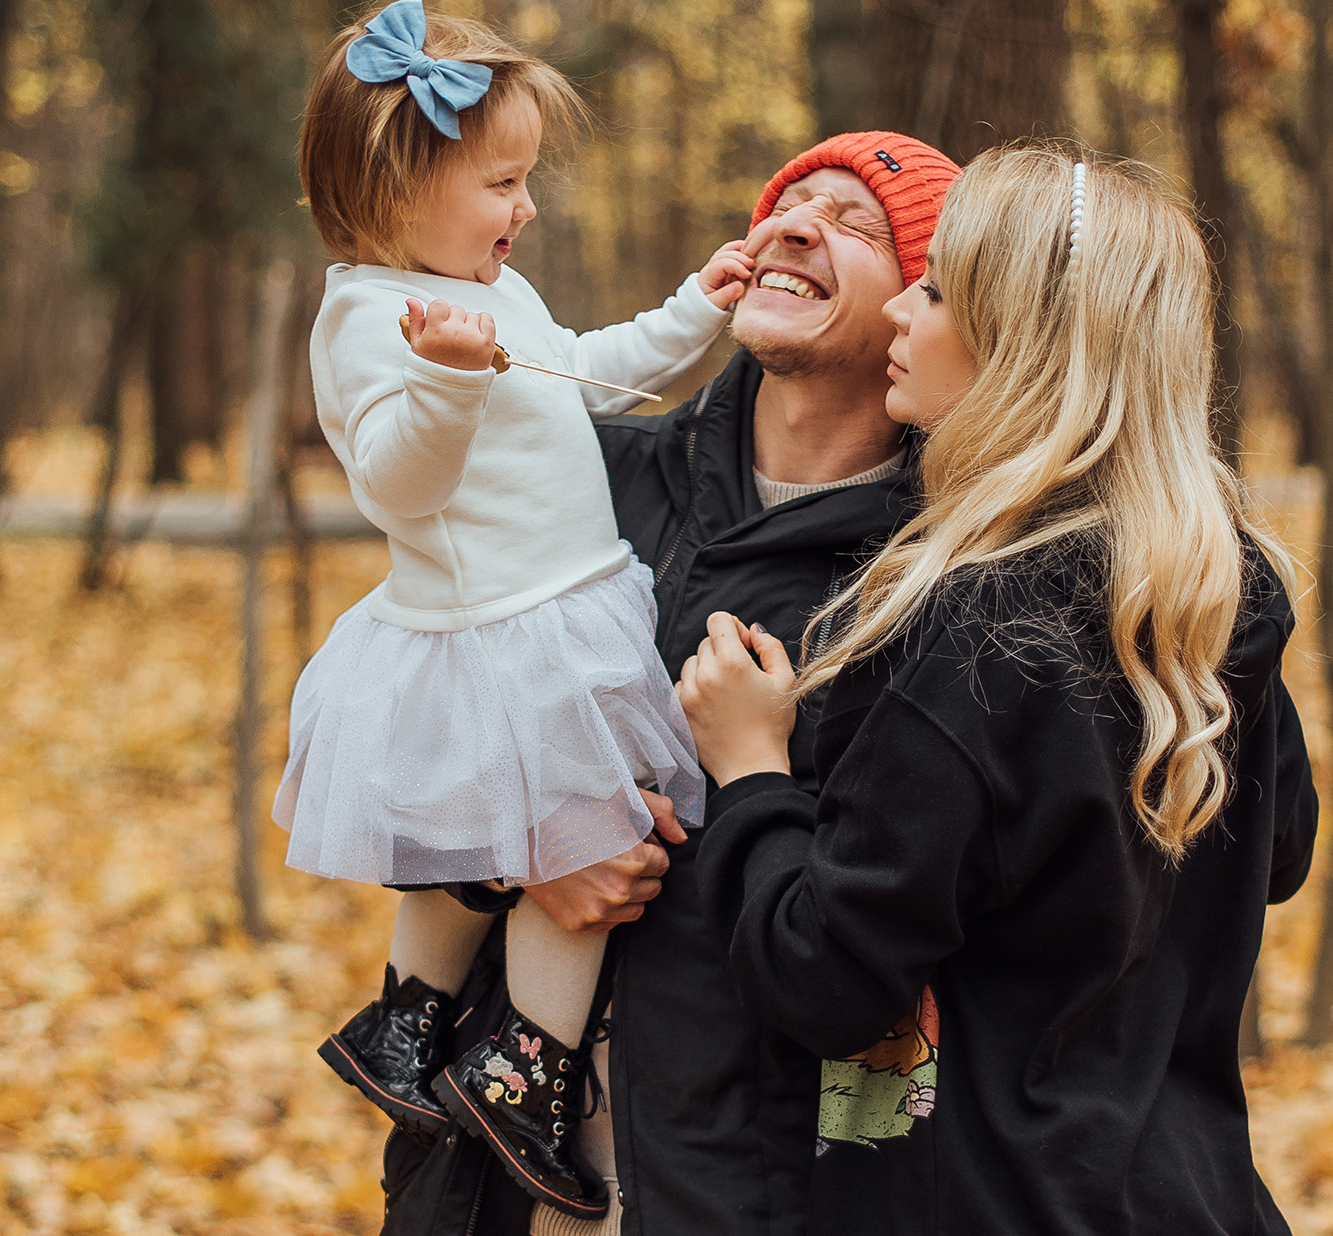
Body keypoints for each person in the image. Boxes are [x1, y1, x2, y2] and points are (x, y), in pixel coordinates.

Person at [676, 143, 1320, 1235]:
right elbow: (1278, 853)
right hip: (1183, 1193)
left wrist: (749, 772)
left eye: (931, 291)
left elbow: (826, 975)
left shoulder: (969, 631)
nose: (899, 318)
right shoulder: (1213, 593)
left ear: (1018, 343)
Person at [378, 131, 962, 1236]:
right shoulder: (591, 471)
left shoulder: (943, 570)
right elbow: (396, 717)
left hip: (746, 1179)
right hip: (493, 1169)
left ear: (921, 303)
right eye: (790, 204)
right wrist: (529, 826)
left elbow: (917, 921)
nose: (793, 223)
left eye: (856, 222)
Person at [276, 0, 756, 1220]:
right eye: (501, 181)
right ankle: (524, 1064)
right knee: (582, 837)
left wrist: (699, 305)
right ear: (394, 192)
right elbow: (394, 476)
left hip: (550, 606)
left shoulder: (494, 292)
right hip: (504, 628)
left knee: (494, 835)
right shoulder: (367, 320)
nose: (525, 207)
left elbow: (592, 371)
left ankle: (412, 1025)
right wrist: (441, 375)